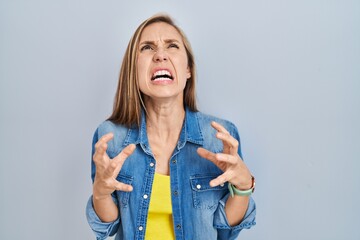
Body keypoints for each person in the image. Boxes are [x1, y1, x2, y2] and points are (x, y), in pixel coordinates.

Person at [86, 14, 256, 240]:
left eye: (172, 46)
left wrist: (243, 188)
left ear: (188, 70)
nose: (160, 55)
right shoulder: (110, 137)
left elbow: (226, 232)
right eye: (147, 48)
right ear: (133, 71)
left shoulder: (219, 137)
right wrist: (100, 195)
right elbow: (107, 228)